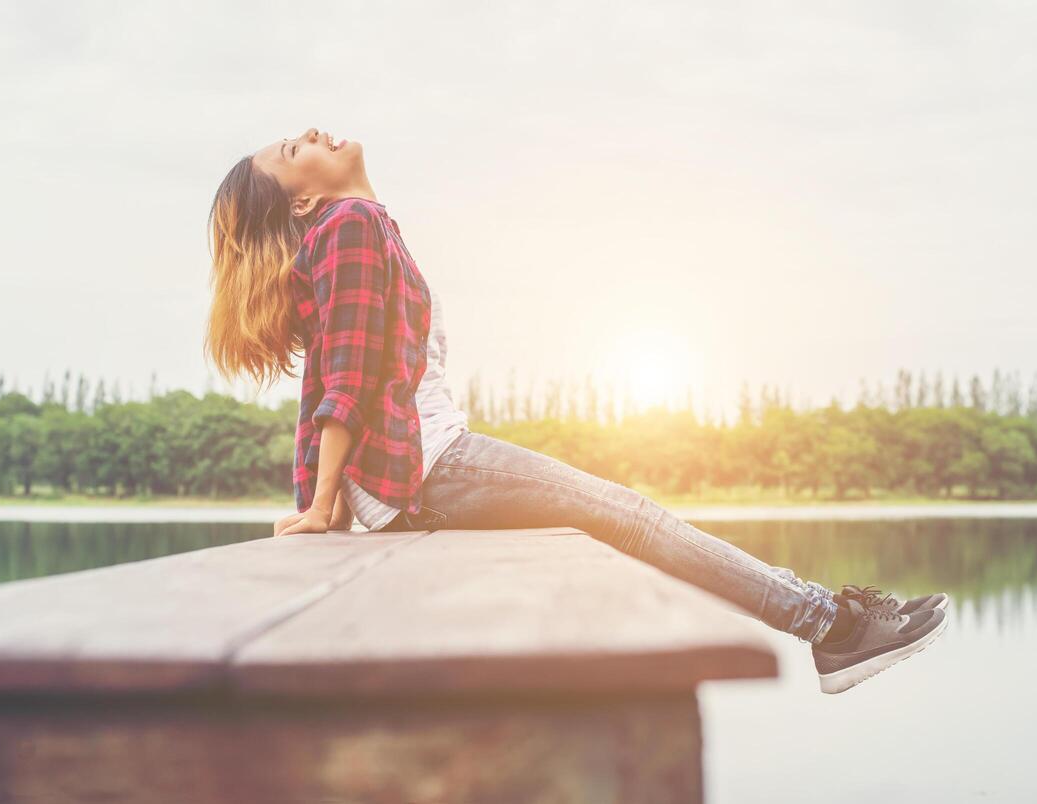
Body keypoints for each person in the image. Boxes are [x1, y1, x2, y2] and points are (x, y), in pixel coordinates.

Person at [204, 127, 949, 695]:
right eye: (292, 148)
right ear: (302, 198)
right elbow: (348, 377)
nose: (312, 133)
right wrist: (324, 502)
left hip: (417, 467)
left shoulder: (361, 230)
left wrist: (333, 504)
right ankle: (831, 626)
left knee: (621, 515)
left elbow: (341, 370)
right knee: (628, 513)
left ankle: (827, 620)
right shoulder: (350, 227)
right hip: (428, 466)